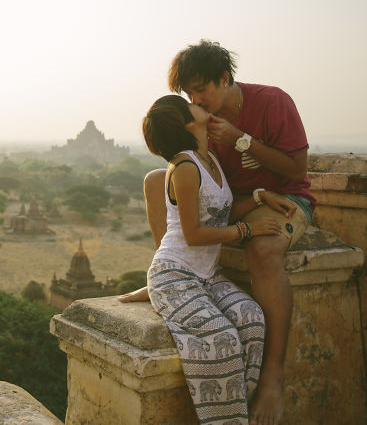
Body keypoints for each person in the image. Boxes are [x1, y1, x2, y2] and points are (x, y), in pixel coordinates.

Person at [124, 40, 314, 425]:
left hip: (286, 197)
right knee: (153, 180)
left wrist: (242, 141)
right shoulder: (200, 126)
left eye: (201, 88)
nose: (196, 98)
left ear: (224, 78)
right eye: (189, 93)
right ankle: (168, 271)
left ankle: (273, 376)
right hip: (239, 201)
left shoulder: (273, 102)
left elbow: (296, 170)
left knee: (262, 249)